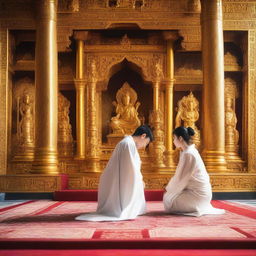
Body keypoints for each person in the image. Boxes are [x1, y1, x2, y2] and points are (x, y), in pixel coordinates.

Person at [76, 125, 153, 221]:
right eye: (146, 143)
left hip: (121, 176)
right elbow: (130, 168)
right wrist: (139, 180)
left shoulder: (128, 142)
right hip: (123, 177)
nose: (144, 146)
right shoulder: (128, 144)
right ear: (143, 136)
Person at [163, 126, 225, 217]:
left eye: (174, 138)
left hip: (198, 196)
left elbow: (182, 179)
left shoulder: (189, 154)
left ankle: (198, 205)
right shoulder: (189, 151)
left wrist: (169, 189)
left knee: (168, 201)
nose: (173, 141)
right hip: (197, 194)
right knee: (168, 197)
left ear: (180, 138)